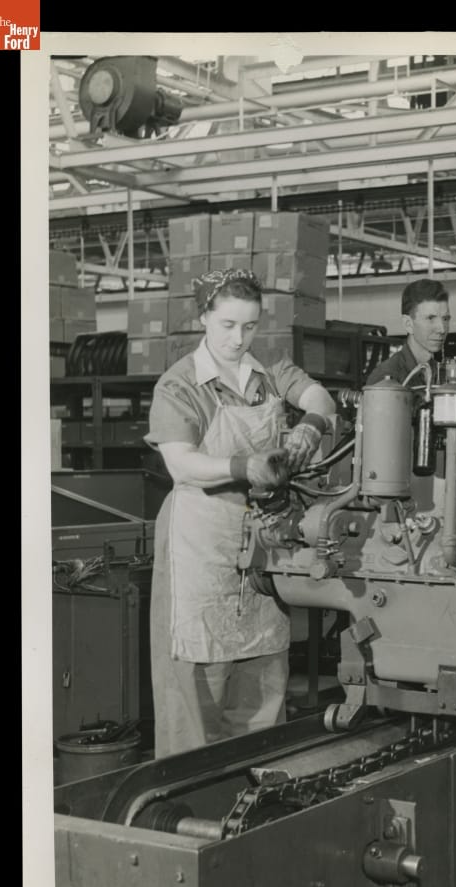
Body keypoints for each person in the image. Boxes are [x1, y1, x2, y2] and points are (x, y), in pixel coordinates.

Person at [145, 269, 337, 758]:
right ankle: (189, 793)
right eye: (227, 325)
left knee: (262, 684)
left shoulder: (268, 370)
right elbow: (180, 463)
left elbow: (319, 397)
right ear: (203, 317)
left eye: (249, 326)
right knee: (198, 693)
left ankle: (255, 789)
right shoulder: (180, 384)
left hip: (261, 549)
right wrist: (242, 466)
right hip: (202, 548)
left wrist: (311, 425)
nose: (238, 338)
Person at [365, 278, 452, 387]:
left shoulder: (442, 374)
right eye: (430, 318)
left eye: (445, 319)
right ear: (408, 324)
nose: (442, 329)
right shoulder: (387, 376)